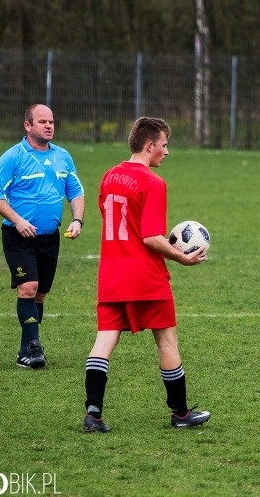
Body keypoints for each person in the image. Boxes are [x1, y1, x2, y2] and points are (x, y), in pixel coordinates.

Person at [82, 116, 211, 433]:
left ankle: (93, 414)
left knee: (104, 341)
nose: (167, 151)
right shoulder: (152, 183)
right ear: (150, 145)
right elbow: (151, 237)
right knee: (167, 343)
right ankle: (180, 414)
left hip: (111, 273)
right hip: (145, 276)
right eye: (164, 145)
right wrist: (182, 257)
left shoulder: (109, 176)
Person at [0, 104, 85, 369]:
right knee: (27, 287)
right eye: (42, 121)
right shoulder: (13, 157)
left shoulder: (63, 156)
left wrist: (77, 219)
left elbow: (75, 191)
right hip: (18, 236)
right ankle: (34, 347)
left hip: (50, 237)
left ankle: (24, 351)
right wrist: (18, 220)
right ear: (27, 126)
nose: (49, 125)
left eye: (51, 121)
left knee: (39, 295)